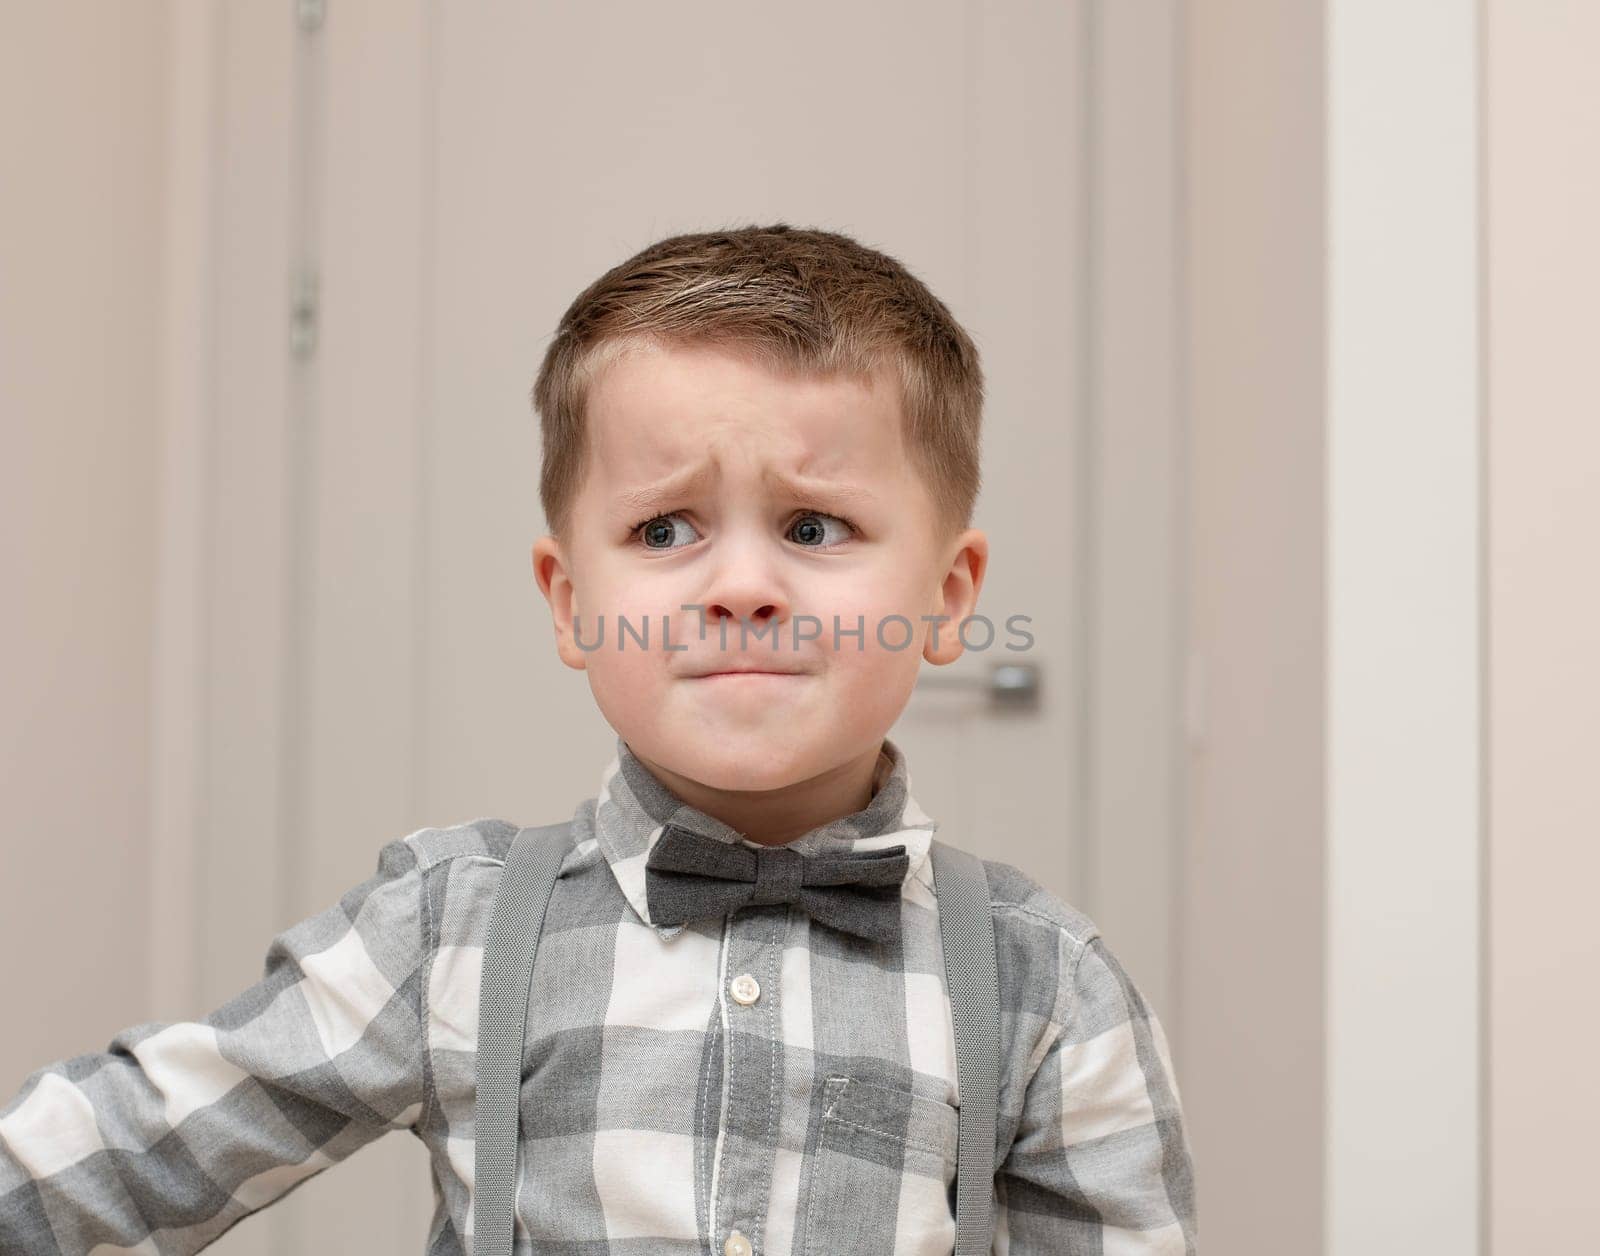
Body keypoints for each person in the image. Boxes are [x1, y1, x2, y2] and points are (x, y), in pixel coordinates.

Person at [0, 224, 1197, 1254]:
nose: (741, 583)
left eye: (815, 524)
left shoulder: (1049, 989)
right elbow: (137, 1145)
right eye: (666, 525)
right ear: (570, 599)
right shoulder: (446, 928)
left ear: (946, 593)